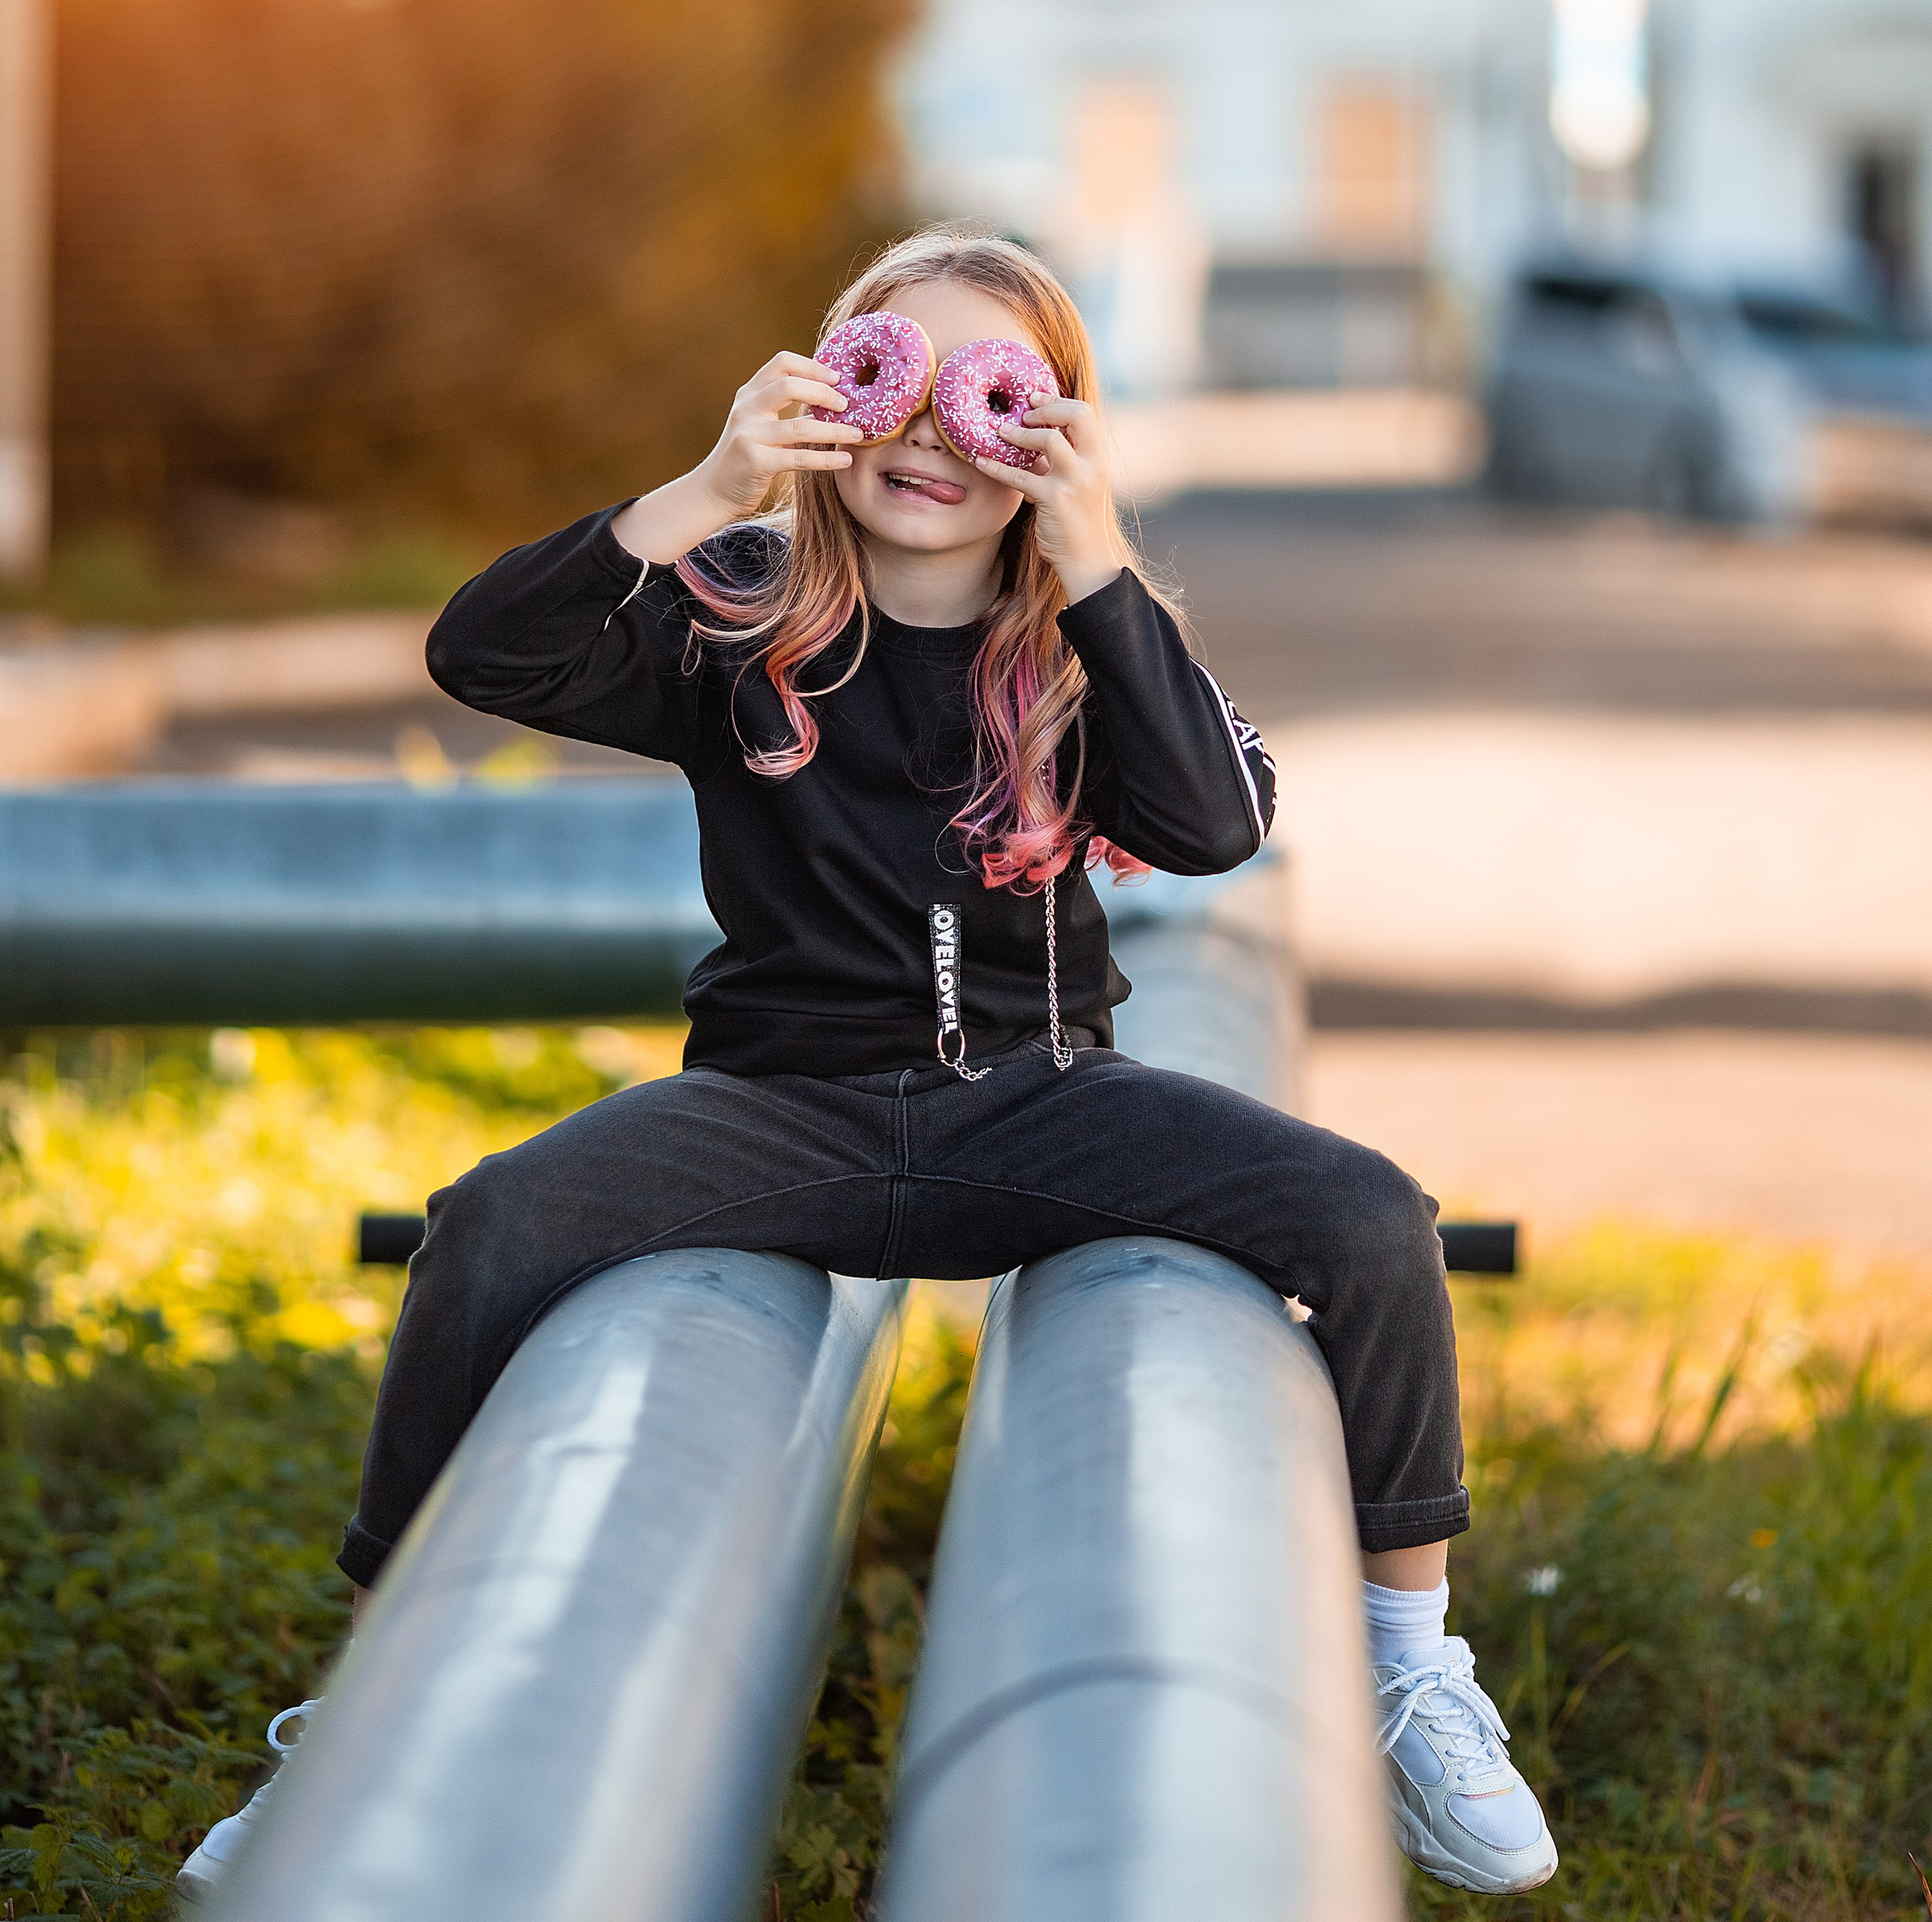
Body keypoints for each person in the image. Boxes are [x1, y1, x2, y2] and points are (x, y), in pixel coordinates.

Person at [180, 228, 1555, 1901]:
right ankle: (371, 1695)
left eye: (996, 402)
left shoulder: (1082, 647)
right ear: (830, 404)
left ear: (1048, 440)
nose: (931, 438)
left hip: (1046, 1102)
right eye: (887, 382)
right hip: (780, 1109)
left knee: (1366, 1216)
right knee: (484, 1229)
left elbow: (1212, 824)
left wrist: (1098, 556)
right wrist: (702, 488)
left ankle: (1404, 1662)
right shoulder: (732, 620)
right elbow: (485, 653)